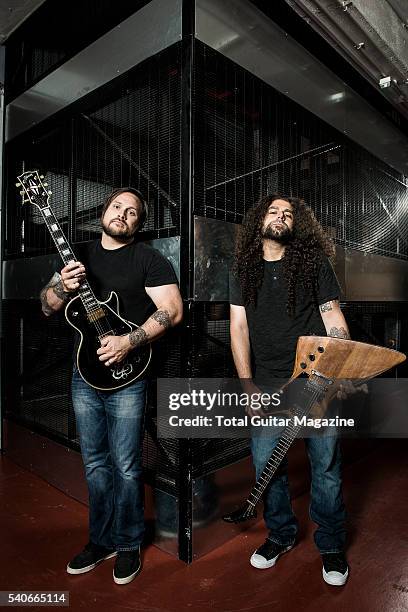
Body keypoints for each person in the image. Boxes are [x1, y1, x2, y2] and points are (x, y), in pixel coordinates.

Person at [40, 187, 183, 585]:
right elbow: (46, 304)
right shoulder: (77, 258)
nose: (123, 214)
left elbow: (172, 311)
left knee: (125, 465)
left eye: (132, 212)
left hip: (128, 378)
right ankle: (100, 541)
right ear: (104, 212)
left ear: (139, 223)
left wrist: (127, 341)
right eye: (117, 206)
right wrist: (62, 289)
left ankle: (128, 544)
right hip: (83, 378)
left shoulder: (149, 260)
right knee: (95, 465)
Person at [229, 193, 350, 586]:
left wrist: (333, 365)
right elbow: (239, 328)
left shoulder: (313, 263)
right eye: (273, 210)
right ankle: (281, 535)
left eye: (289, 213)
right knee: (268, 466)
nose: (281, 217)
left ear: (298, 225)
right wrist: (247, 385)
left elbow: (334, 319)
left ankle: (331, 544)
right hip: (266, 383)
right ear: (259, 220)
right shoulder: (243, 269)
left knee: (325, 467)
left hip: (314, 381)